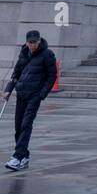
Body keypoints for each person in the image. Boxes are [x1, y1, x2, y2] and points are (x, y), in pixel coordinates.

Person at [3, 29, 58, 171]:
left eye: (35, 42)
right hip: (21, 93)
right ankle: (24, 155)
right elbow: (16, 74)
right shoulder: (24, 53)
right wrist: (8, 89)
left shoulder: (47, 55)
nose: (32, 45)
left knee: (26, 125)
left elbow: (52, 76)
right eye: (30, 42)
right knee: (18, 126)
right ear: (26, 42)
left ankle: (17, 157)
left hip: (35, 95)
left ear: (39, 41)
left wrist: (42, 94)